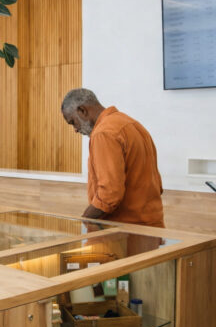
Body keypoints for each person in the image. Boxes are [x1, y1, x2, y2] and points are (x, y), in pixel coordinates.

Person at [60, 88, 164, 227]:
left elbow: (109, 194)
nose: (75, 130)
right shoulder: (131, 123)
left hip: (125, 232)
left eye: (73, 122)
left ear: (82, 110)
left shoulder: (104, 133)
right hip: (151, 224)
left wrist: (85, 220)